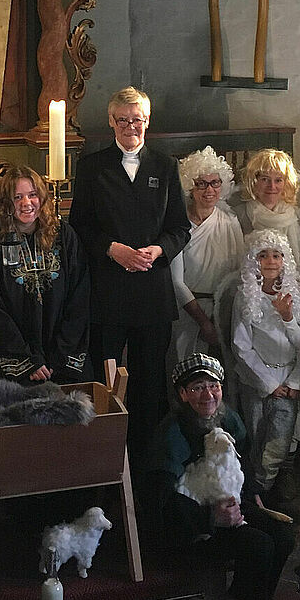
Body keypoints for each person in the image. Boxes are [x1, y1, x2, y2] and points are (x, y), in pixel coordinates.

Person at [69, 86, 190, 459]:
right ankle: (103, 453)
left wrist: (159, 250)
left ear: (147, 121)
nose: (130, 127)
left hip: (152, 291)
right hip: (107, 290)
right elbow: (80, 227)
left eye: (136, 120)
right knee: (103, 377)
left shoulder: (166, 166)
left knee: (150, 380)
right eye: (123, 120)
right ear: (111, 122)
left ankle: (146, 458)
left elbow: (180, 228)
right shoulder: (92, 166)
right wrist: (112, 249)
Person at [142, 353, 294, 600]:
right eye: (198, 388)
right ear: (182, 394)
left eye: (214, 386)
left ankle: (249, 594)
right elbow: (159, 497)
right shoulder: (173, 433)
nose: (208, 395)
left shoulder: (227, 418)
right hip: (191, 523)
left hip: (227, 503)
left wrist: (252, 491)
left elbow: (241, 458)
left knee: (283, 535)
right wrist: (210, 516)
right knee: (259, 544)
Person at [0, 164, 90, 383]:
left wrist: (60, 355)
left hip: (62, 356)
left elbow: (79, 296)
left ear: (42, 197)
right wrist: (27, 360)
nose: (27, 203)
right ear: (7, 203)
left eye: (32, 195)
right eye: (18, 197)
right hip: (16, 358)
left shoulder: (64, 235)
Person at [231, 230, 300, 502]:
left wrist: (293, 382)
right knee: (257, 434)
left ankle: (269, 488)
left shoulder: (296, 295)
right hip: (258, 379)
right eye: (263, 256)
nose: (271, 261)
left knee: (280, 439)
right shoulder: (245, 297)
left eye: (276, 255)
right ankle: (255, 491)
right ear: (254, 261)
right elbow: (241, 345)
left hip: (288, 377)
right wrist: (268, 383)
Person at [170, 146, 244, 359]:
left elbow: (240, 271)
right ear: (189, 187)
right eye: (201, 184)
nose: (209, 190)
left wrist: (221, 317)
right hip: (187, 312)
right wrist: (203, 321)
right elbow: (177, 282)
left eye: (215, 183)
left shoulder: (230, 222)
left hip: (224, 311)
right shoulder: (178, 225)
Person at [234, 149, 300, 266]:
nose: (272, 186)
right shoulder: (239, 216)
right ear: (253, 182)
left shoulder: (299, 217)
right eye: (265, 179)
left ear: (286, 183)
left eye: (278, 180)